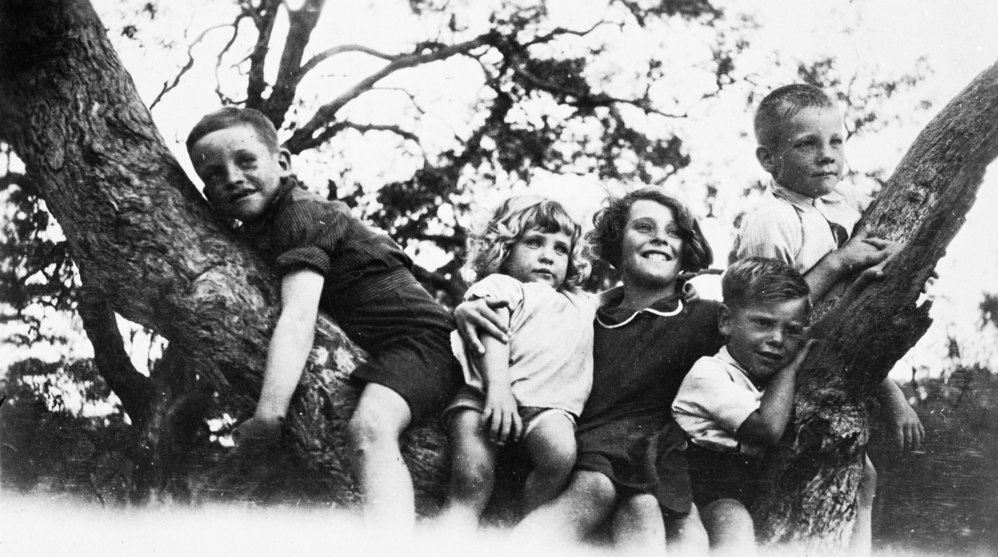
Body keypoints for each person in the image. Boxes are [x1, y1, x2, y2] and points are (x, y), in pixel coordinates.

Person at [185, 107, 460, 534]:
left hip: (424, 343)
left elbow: (299, 317)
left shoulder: (300, 213)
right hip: (388, 350)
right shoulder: (265, 227)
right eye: (215, 174)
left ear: (284, 162)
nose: (233, 178)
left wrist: (270, 415)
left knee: (369, 429)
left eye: (246, 160)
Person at [456, 188, 723, 554]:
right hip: (573, 453)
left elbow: (773, 319)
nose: (660, 237)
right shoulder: (585, 316)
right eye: (644, 227)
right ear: (616, 244)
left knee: (675, 528)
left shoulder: (705, 317)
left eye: (674, 231)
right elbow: (520, 324)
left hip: (657, 464)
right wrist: (464, 310)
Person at [731, 83, 925, 553]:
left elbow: (851, 316)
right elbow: (767, 319)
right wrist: (839, 263)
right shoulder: (770, 218)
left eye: (836, 141)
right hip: (770, 376)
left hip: (824, 360)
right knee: (794, 480)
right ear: (768, 159)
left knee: (861, 479)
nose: (827, 156)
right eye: (807, 144)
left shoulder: (843, 204)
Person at [442, 196, 597, 527]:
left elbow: (620, 298)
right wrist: (499, 391)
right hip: (486, 395)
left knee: (559, 454)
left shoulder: (580, 303)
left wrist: (680, 292)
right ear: (505, 248)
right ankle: (456, 527)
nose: (547, 256)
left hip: (548, 408)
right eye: (535, 243)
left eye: (560, 249)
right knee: (471, 475)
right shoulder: (503, 286)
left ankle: (522, 523)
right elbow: (492, 335)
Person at [672, 257, 815, 556]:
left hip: (743, 488)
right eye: (763, 323)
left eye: (791, 331)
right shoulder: (709, 372)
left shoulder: (761, 377)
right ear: (726, 321)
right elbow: (767, 429)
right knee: (733, 530)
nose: (777, 340)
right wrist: (789, 370)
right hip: (695, 489)